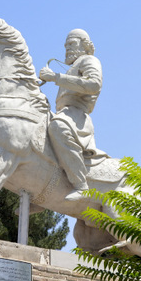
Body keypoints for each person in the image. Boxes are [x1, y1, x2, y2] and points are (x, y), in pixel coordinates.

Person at [39, 29, 103, 201]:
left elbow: (94, 84)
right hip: (63, 112)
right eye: (66, 45)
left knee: (58, 127)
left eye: (71, 44)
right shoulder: (71, 68)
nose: (67, 48)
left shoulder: (89, 60)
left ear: (84, 44)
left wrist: (56, 77)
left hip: (76, 116)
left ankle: (81, 184)